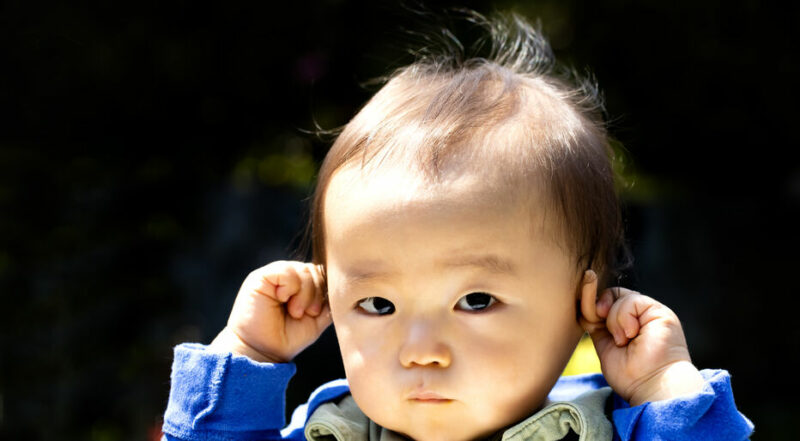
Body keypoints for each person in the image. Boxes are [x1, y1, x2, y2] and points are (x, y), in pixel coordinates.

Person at [161, 12, 753, 441]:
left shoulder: (606, 433)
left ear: (584, 304)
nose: (422, 353)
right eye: (377, 304)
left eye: (475, 299)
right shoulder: (329, 433)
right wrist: (248, 352)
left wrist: (662, 383)